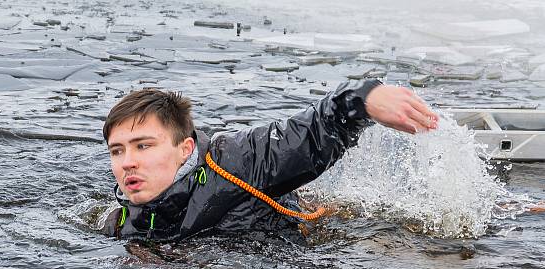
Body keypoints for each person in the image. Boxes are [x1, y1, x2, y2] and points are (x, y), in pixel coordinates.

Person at [102, 79, 438, 241]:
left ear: (185, 149)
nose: (128, 162)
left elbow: (307, 136)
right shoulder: (118, 222)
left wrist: (362, 98)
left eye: (143, 146)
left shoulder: (235, 161)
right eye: (117, 151)